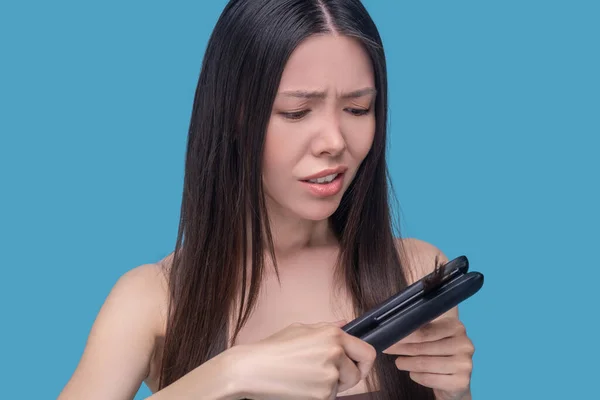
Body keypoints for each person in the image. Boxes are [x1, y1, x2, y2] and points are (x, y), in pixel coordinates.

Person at [58, 1, 476, 399]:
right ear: (234, 116)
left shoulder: (416, 272)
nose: (334, 142)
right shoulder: (152, 300)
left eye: (357, 108)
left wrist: (456, 395)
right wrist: (231, 373)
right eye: (296, 112)